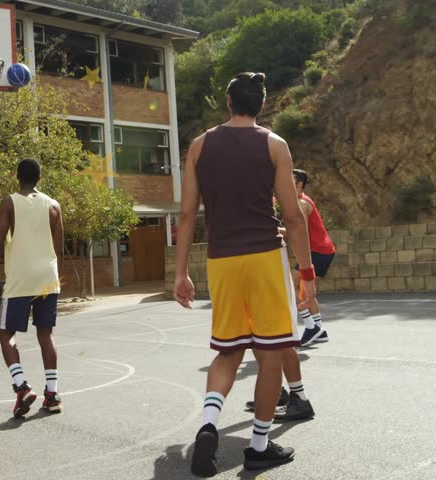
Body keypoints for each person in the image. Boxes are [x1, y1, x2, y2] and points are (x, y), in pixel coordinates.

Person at [173, 72, 317, 476]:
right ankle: (257, 446)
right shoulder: (275, 144)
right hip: (265, 256)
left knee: (228, 349)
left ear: (228, 102)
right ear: (261, 104)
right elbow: (292, 215)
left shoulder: (200, 145)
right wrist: (306, 271)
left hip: (221, 259)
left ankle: (208, 425)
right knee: (271, 354)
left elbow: (187, 215)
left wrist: (181, 273)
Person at [0, 159, 64, 418]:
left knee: (5, 334)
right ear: (39, 177)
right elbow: (59, 248)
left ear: (18, 177)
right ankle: (52, 395)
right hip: (48, 277)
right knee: (45, 335)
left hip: (20, 279)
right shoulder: (53, 205)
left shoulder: (10, 202)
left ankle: (21, 387)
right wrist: (54, 275)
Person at [288, 168, 335, 345]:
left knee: (290, 285)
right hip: (323, 250)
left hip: (318, 250)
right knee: (305, 291)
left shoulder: (301, 202)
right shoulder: (300, 201)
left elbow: (301, 233)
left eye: (289, 179)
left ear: (299, 184)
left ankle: (310, 327)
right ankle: (318, 330)